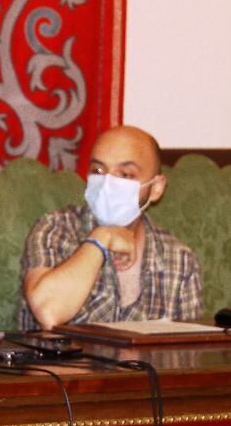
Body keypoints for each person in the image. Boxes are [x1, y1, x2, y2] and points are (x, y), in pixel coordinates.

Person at [17, 125, 202, 331]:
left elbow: (188, 350)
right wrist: (101, 239)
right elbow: (49, 312)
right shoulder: (54, 230)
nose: (107, 183)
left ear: (156, 188)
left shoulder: (179, 259)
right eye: (98, 170)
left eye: (125, 174)